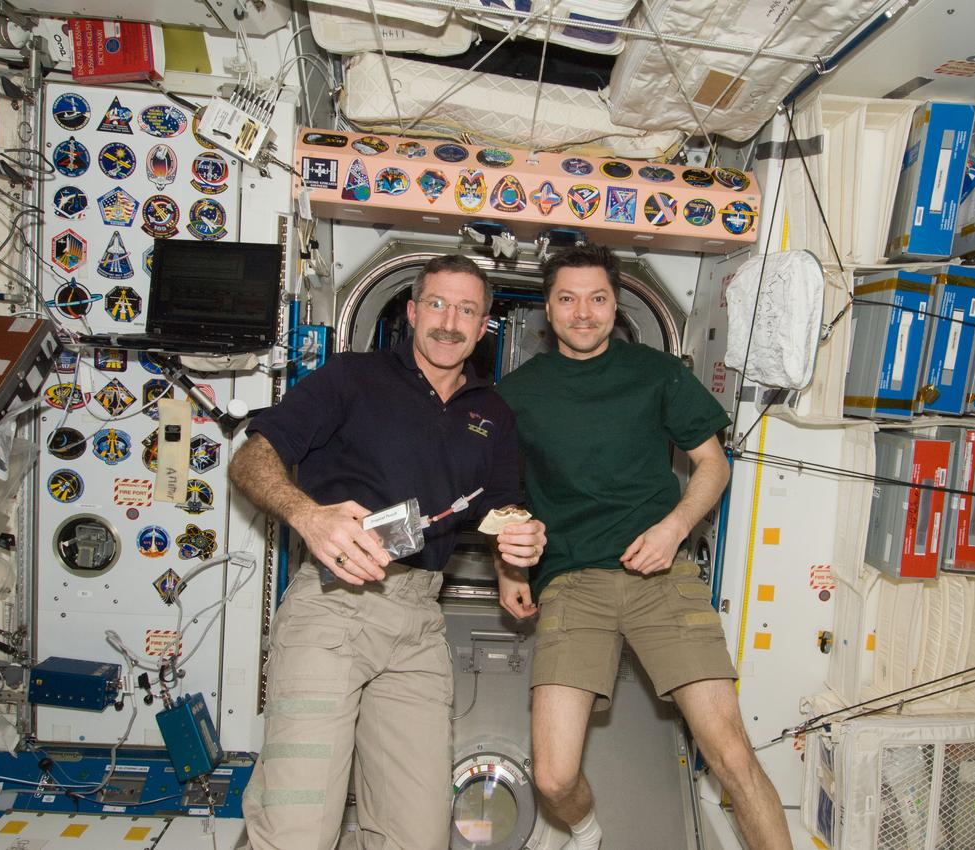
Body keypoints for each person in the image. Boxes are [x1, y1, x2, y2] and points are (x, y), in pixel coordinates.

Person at [230, 254, 547, 850]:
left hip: (420, 622)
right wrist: (307, 514)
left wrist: (521, 545)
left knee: (419, 834)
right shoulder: (351, 377)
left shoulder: (493, 414)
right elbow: (251, 457)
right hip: (333, 608)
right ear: (410, 312)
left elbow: (504, 506)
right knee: (298, 825)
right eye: (437, 304)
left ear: (484, 329)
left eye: (467, 310)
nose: (449, 322)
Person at [495, 244, 790, 850]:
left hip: (662, 576)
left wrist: (673, 528)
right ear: (547, 311)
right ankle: (583, 830)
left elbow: (712, 465)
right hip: (573, 583)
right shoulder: (516, 394)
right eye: (568, 299)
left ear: (615, 304)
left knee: (731, 751)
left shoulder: (658, 374)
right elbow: (506, 496)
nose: (584, 313)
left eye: (597, 298)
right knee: (552, 777)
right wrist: (509, 567)